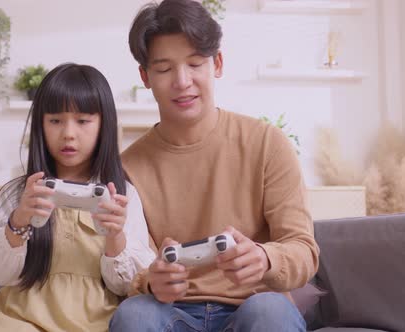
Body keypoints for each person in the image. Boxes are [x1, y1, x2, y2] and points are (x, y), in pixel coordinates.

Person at [109, 0, 320, 331]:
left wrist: (266, 259)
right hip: (172, 313)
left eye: (195, 64)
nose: (182, 81)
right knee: (135, 314)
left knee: (269, 312)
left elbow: (304, 251)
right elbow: (132, 267)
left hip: (253, 306)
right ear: (145, 76)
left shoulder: (267, 143)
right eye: (164, 69)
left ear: (217, 63)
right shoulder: (127, 167)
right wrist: (153, 281)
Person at [0, 63, 156, 332]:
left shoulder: (122, 194)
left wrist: (115, 236)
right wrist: (19, 220)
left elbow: (129, 284)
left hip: (97, 324)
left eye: (83, 121)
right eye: (55, 121)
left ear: (103, 125)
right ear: (40, 125)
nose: (68, 133)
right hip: (20, 321)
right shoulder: (20, 193)